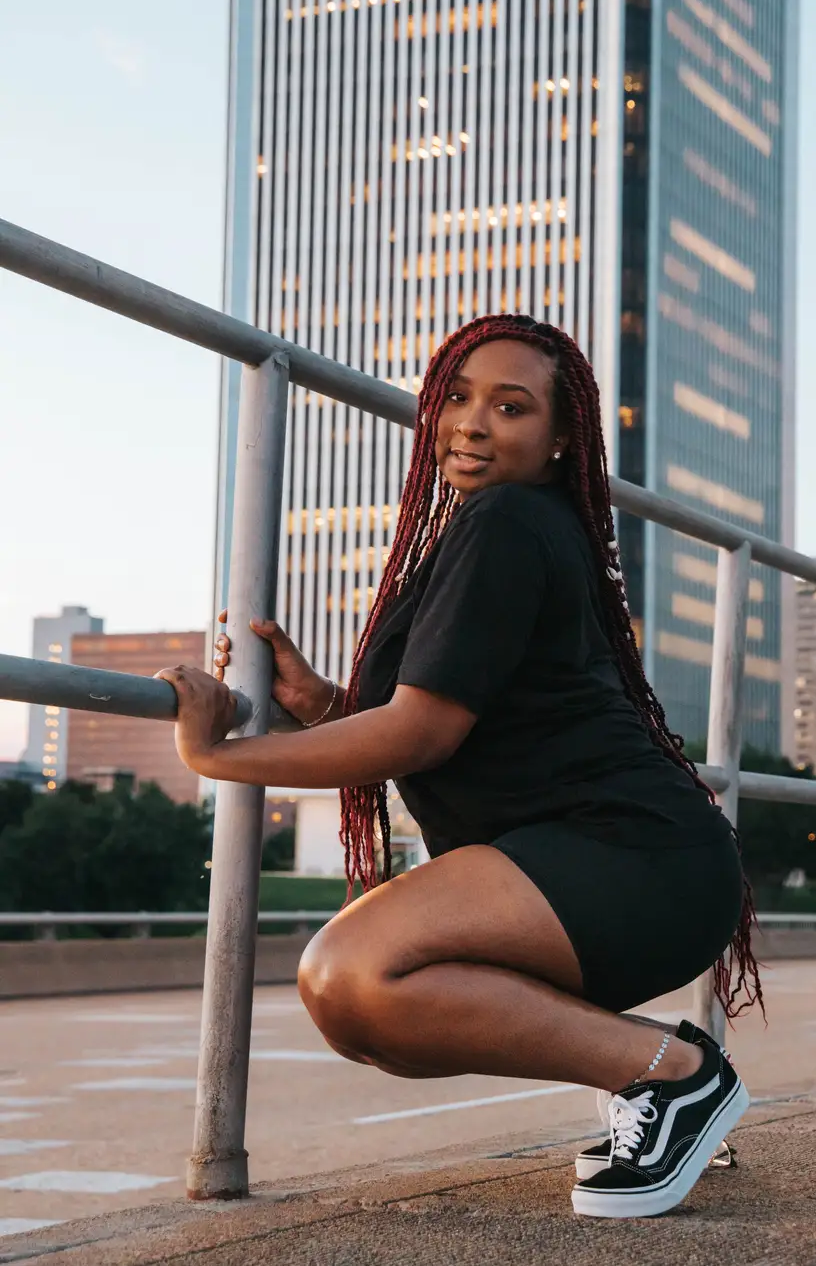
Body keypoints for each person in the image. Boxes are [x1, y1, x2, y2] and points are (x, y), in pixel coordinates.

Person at [158, 314, 761, 1219]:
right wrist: (324, 705)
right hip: (621, 865)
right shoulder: (504, 530)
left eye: (510, 407)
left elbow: (422, 735)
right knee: (375, 1020)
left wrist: (221, 755)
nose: (472, 423)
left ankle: (675, 1076)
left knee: (351, 974)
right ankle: (655, 1074)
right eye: (458, 397)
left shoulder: (510, 521)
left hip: (628, 854)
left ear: (561, 440)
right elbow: (460, 724)